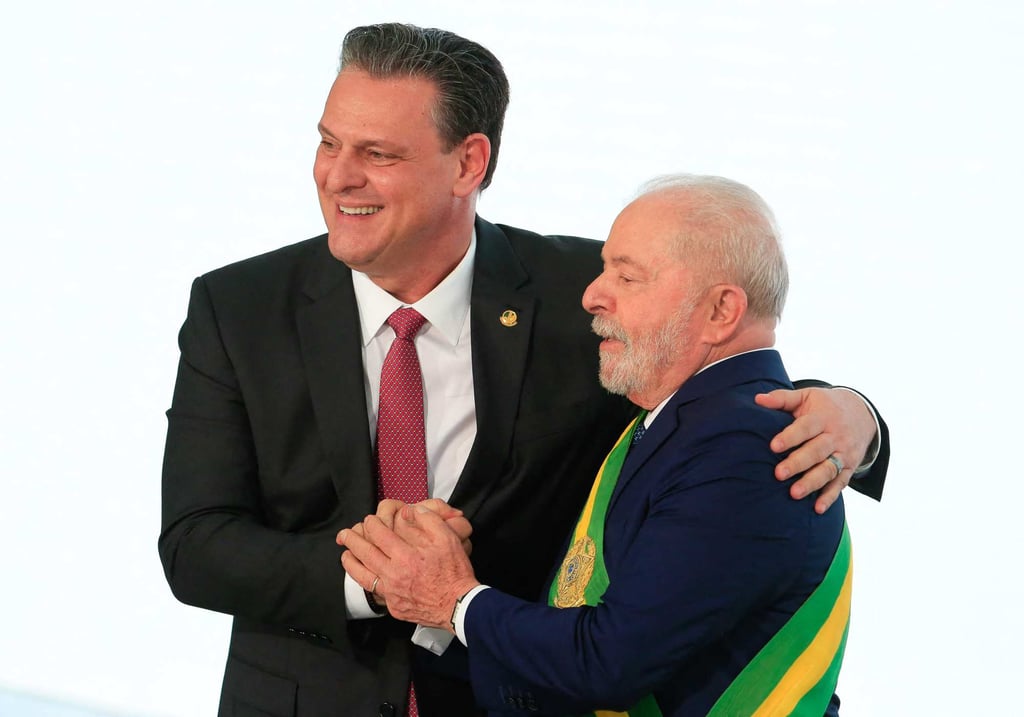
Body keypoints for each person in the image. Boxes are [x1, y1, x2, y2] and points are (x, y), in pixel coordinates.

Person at [159, 23, 888, 717]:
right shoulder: (237, 307)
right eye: (327, 142)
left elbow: (713, 356)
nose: (337, 176)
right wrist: (380, 580)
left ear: (468, 163)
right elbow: (195, 542)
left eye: (378, 153)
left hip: (512, 695)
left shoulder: (581, 289)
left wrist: (855, 413)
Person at [340, 174, 855, 716]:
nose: (591, 294)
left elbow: (607, 663)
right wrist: (426, 580)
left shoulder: (748, 448)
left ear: (721, 312)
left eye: (627, 277)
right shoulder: (674, 418)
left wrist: (454, 600)